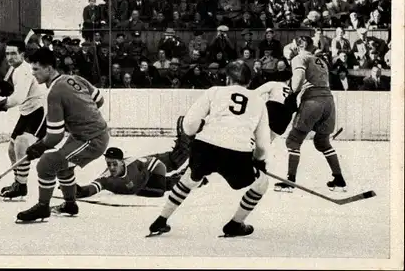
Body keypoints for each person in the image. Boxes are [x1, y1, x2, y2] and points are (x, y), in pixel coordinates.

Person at [148, 61, 270, 238]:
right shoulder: (258, 101)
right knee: (262, 184)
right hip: (237, 152)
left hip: (205, 146)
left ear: (227, 79)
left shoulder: (214, 91)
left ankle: (161, 220)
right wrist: (258, 162)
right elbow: (262, 144)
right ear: (249, 82)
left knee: (189, 179)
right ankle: (235, 225)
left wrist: (197, 131)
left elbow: (189, 125)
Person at [16, 48, 109, 222]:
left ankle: (43, 207)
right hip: (87, 134)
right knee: (62, 165)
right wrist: (81, 115)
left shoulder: (54, 92)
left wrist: (38, 147)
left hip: (91, 139)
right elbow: (99, 100)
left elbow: (55, 136)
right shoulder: (74, 78)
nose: (33, 74)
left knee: (46, 164)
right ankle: (69, 204)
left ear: (49, 68)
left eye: (36, 69)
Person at [60, 117, 207, 205]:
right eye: (108, 164)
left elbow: (159, 167)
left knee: (173, 165)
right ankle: (195, 177)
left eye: (114, 164)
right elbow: (93, 187)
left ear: (122, 162)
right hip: (144, 175)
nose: (111, 167)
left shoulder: (131, 164)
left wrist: (154, 181)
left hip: (153, 165)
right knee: (170, 183)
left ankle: (189, 134)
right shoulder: (107, 178)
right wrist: (76, 190)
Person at [274, 36, 346, 193]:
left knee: (293, 141)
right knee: (322, 142)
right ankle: (339, 179)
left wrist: (291, 92)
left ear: (299, 46)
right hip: (328, 101)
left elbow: (298, 80)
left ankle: (289, 181)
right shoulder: (320, 61)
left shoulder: (299, 58)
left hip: (313, 102)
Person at [0, 40, 47, 200]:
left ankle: (22, 186)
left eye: (13, 53)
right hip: (26, 112)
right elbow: (18, 92)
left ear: (22, 55)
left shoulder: (25, 70)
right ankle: (18, 182)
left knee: (22, 144)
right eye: (7, 53)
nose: (9, 57)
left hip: (39, 111)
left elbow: (18, 98)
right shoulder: (16, 69)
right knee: (12, 150)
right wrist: (6, 88)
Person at [254, 70, 296, 141]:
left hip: (273, 107)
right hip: (286, 114)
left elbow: (256, 92)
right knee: (269, 139)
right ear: (288, 80)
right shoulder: (291, 90)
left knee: (259, 134)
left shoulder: (274, 84)